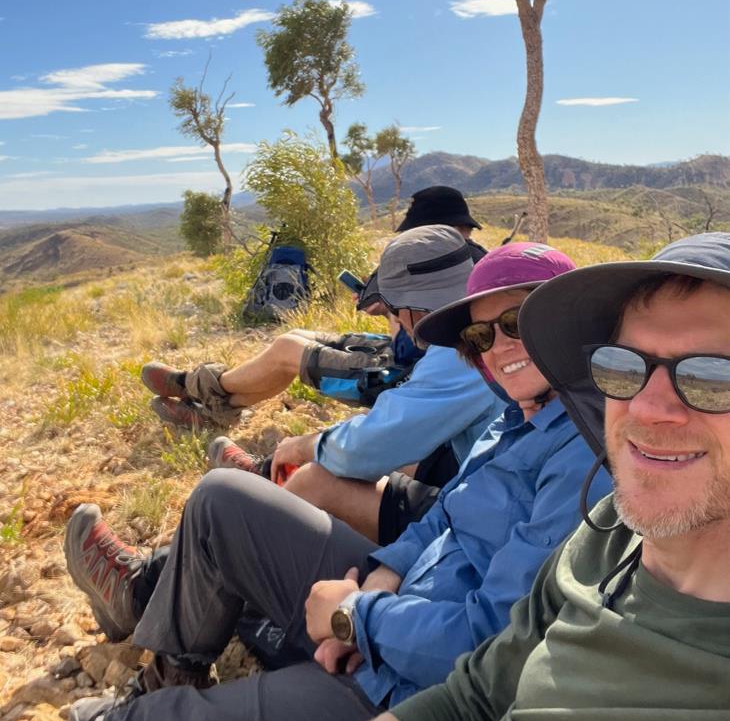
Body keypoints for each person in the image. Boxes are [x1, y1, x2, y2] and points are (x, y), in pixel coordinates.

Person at [2, 241, 611, 721]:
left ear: (568, 322)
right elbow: (443, 517)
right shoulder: (518, 416)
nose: (498, 347)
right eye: (478, 337)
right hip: (398, 616)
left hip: (417, 692)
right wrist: (380, 580)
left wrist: (357, 620)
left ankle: (133, 718)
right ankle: (170, 675)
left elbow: (496, 645)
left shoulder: (586, 461)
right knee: (223, 499)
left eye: (516, 324)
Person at [347, 231, 730, 721]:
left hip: (400, 661)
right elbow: (472, 695)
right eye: (622, 365)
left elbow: (476, 641)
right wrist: (381, 581)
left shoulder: (584, 473)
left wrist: (356, 617)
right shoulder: (604, 530)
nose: (646, 407)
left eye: (712, 377)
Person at [146, 225, 504, 545]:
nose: (395, 319)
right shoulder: (475, 325)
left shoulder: (459, 352)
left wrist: (306, 445)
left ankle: (174, 567)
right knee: (367, 445)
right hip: (476, 474)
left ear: (413, 309)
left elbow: (373, 446)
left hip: (484, 515)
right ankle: (248, 450)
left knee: (318, 478)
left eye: (395, 310)